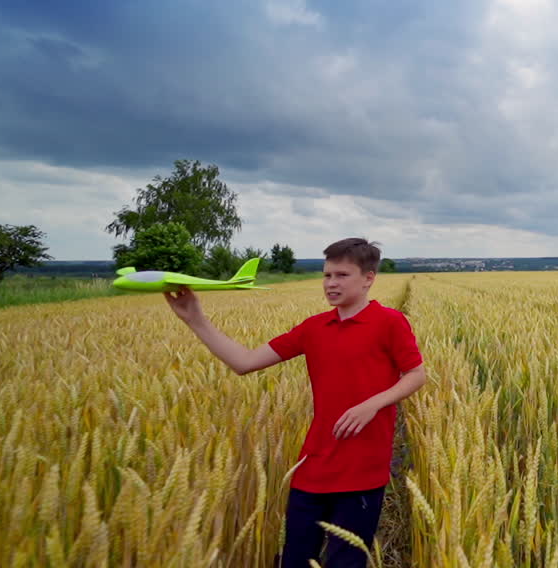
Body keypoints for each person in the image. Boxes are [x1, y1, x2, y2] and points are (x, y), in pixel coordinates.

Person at [164, 238, 426, 567]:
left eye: (342, 275)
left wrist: (373, 403)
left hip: (362, 471)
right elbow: (244, 362)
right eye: (327, 275)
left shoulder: (389, 322)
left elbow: (416, 374)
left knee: (345, 563)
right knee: (294, 560)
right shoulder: (313, 328)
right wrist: (195, 320)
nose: (331, 283)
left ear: (369, 278)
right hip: (311, 467)